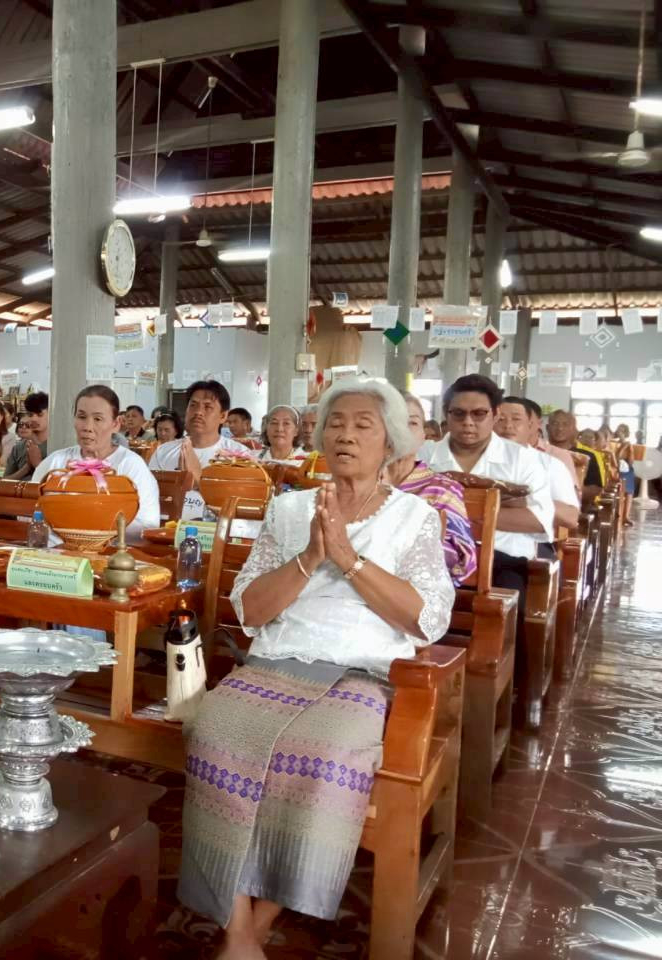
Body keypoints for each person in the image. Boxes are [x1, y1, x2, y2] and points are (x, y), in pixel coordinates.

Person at [179, 378, 452, 956]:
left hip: (363, 674)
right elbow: (250, 610)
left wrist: (349, 559)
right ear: (319, 435)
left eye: (363, 425)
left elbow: (427, 619)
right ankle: (239, 928)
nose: (346, 435)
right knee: (214, 729)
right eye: (336, 423)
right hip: (277, 661)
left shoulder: (415, 518)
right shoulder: (288, 509)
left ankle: (253, 928)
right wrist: (311, 556)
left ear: (391, 444)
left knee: (324, 755)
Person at [423, 375, 553, 615]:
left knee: (508, 612)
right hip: (430, 559)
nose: (468, 422)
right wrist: (501, 510)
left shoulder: (522, 459)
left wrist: (450, 515)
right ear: (446, 414)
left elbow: (538, 519)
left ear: (495, 415)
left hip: (501, 563)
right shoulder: (423, 456)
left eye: (479, 414)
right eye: (458, 414)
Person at [33, 385, 160, 543]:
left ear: (116, 424)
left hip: (110, 557)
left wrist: (92, 523)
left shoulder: (130, 465)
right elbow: (28, 512)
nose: (87, 427)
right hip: (55, 556)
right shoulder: (55, 461)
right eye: (81, 417)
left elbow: (148, 525)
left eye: (98, 419)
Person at [385, 392, 478, 585]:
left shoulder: (442, 489)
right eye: (392, 421)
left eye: (412, 423)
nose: (401, 431)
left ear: (423, 436)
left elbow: (463, 561)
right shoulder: (355, 484)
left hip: (415, 593)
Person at [150, 380, 253, 498]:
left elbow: (239, 505)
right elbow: (150, 498)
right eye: (193, 405)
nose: (198, 412)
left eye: (208, 407)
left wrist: (199, 481)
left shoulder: (240, 456)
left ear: (223, 416)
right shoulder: (163, 452)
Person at [496, 396, 580, 533]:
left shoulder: (551, 464)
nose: (508, 425)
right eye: (500, 419)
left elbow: (570, 517)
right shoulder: (475, 459)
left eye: (516, 419)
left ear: (531, 426)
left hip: (531, 541)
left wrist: (526, 501)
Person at [548, 409, 603, 505]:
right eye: (555, 424)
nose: (560, 428)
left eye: (565, 424)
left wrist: (568, 491)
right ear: (547, 427)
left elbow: (596, 489)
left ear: (573, 429)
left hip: (574, 509)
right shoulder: (538, 453)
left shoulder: (586, 456)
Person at [2, 391, 49, 481]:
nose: (34, 419)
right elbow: (5, 481)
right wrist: (26, 468)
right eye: (30, 415)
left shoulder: (56, 446)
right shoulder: (18, 448)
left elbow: (57, 482)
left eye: (40, 415)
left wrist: (37, 464)